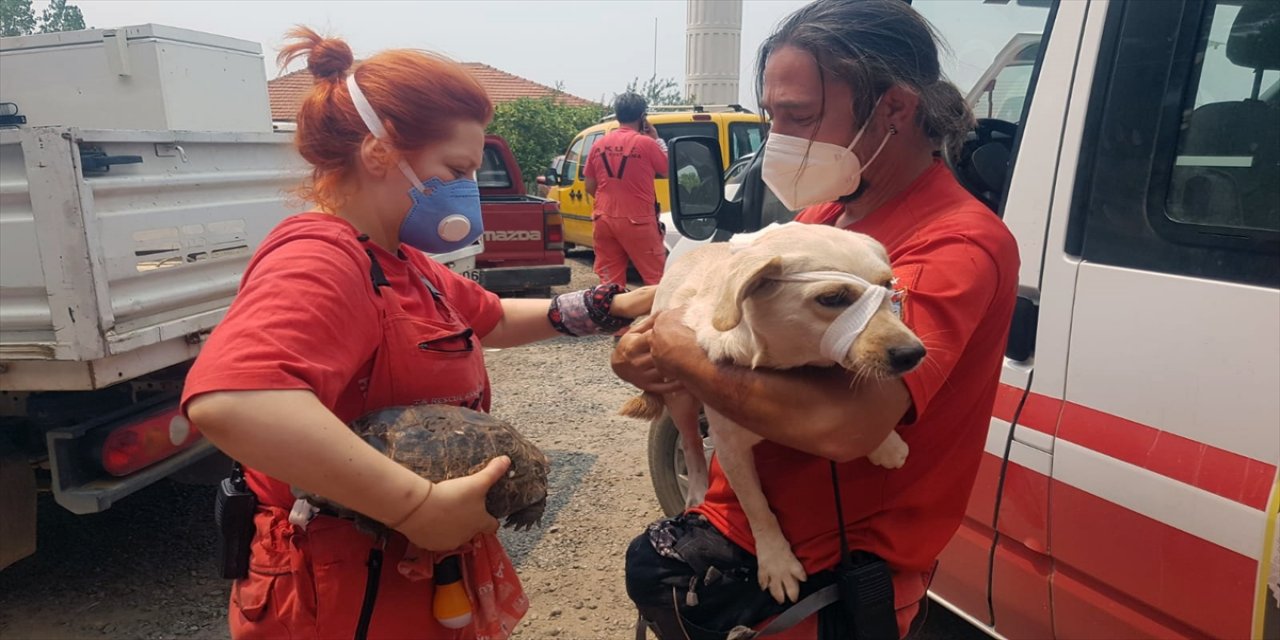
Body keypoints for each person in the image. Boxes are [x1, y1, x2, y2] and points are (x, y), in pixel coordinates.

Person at [182, 28, 654, 640]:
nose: (467, 188)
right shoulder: (321, 258)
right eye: (456, 169)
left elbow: (492, 319)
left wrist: (616, 302)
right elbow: (235, 401)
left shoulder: (400, 259)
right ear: (380, 154)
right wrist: (414, 507)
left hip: (402, 574)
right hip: (346, 589)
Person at [612, 0, 1020, 638]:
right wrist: (638, 349)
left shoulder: (952, 245)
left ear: (894, 110)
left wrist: (673, 343)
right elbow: (730, 308)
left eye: (799, 117)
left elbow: (842, 424)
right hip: (744, 548)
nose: (781, 140)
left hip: (824, 584)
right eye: (774, 118)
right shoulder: (825, 221)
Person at [585, 92, 670, 287]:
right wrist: (658, 140)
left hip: (603, 219)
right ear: (642, 117)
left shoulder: (598, 145)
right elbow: (667, 170)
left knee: (609, 283)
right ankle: (657, 316)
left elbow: (590, 185)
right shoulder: (646, 143)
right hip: (638, 220)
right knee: (657, 279)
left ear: (617, 115)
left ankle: (613, 315)